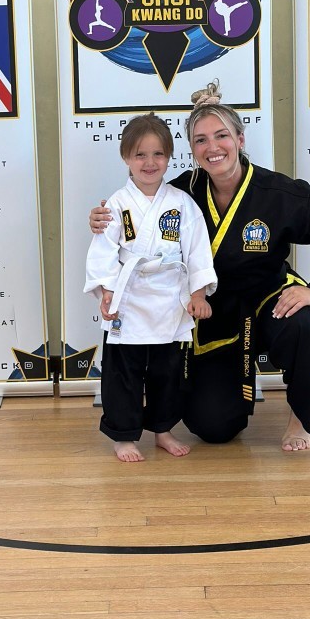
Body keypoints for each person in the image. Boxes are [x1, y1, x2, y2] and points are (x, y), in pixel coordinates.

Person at [90, 82, 310, 452]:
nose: (213, 147)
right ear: (192, 150)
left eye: (221, 136)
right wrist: (103, 218)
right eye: (201, 140)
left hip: (269, 298)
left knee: (304, 321)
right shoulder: (181, 193)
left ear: (239, 139)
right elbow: (135, 213)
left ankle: (300, 416)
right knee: (213, 427)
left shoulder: (280, 193)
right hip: (213, 310)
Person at [84, 112, 217, 462]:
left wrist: (198, 293)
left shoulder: (182, 203)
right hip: (128, 300)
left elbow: (197, 249)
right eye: (140, 154)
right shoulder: (116, 203)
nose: (150, 162)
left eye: (158, 154)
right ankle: (123, 435)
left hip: (170, 301)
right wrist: (106, 290)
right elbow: (103, 250)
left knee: (167, 374)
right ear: (125, 157)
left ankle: (162, 429)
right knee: (123, 374)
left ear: (169, 157)